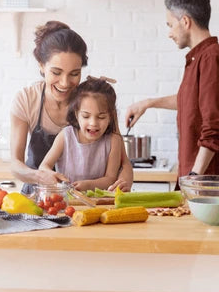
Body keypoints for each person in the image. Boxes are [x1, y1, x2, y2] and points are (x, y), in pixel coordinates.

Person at [125, 0, 219, 178]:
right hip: (200, 178)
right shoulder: (202, 58)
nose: (169, 33)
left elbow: (214, 127)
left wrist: (194, 176)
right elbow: (191, 101)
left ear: (185, 21)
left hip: (208, 181)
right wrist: (148, 103)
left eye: (170, 25)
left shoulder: (211, 58)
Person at [10, 21, 133, 193]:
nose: (65, 83)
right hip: (38, 195)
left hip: (84, 198)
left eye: (74, 74)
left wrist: (124, 182)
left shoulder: (93, 101)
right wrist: (40, 176)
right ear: (41, 65)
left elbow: (123, 161)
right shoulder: (26, 99)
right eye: (56, 72)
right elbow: (15, 164)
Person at [39, 77, 122, 191]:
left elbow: (110, 179)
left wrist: (88, 185)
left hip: (98, 204)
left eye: (101, 117)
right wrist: (53, 176)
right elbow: (44, 167)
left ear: (111, 117)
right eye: (86, 116)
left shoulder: (113, 141)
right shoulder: (65, 136)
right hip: (66, 203)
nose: (93, 123)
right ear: (76, 114)